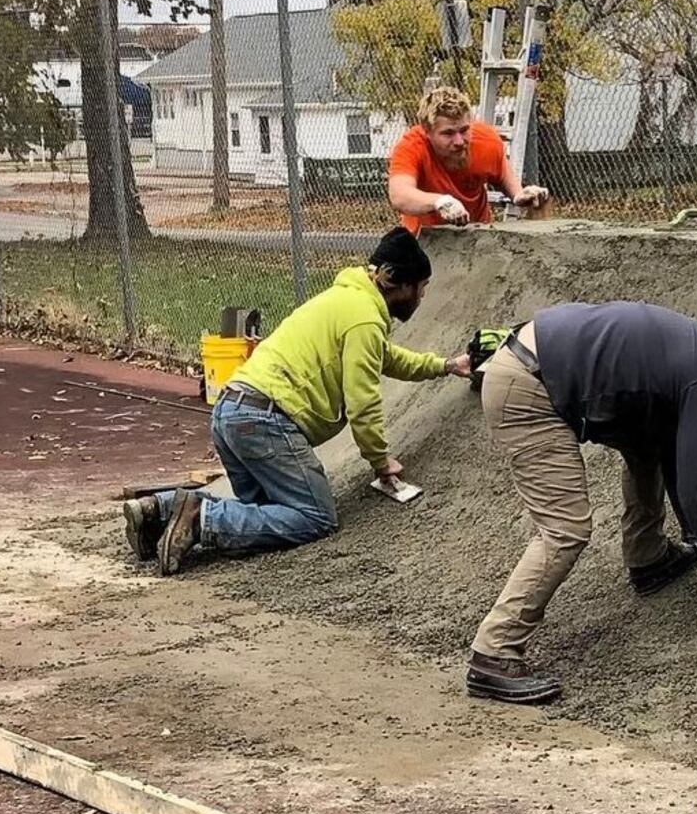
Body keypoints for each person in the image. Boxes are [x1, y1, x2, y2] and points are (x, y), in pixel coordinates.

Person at [466, 302, 697, 705]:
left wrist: (695, 532)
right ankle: (494, 651)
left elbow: (679, 457)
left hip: (534, 363)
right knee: (565, 530)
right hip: (529, 386)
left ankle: (649, 558)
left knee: (650, 442)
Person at [122, 228, 470, 576]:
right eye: (421, 287)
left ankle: (159, 510)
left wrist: (444, 366)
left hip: (231, 410)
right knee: (314, 517)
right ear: (395, 280)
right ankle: (200, 518)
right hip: (266, 421)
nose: (423, 296)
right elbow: (363, 402)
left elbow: (386, 357)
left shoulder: (347, 301)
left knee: (267, 510)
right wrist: (381, 462)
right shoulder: (364, 316)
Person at [388, 86, 549, 232]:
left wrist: (521, 195)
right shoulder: (411, 146)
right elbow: (399, 195)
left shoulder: (486, 141)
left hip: (477, 239)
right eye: (448, 133)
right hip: (423, 241)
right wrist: (440, 202)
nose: (459, 141)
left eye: (464, 130)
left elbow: (508, 182)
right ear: (427, 132)